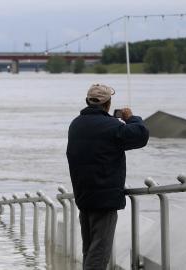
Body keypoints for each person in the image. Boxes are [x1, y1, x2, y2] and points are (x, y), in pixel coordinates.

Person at [66, 84, 149, 269]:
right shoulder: (112, 127)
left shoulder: (76, 125)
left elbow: (101, 147)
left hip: (83, 197)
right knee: (100, 252)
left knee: (89, 250)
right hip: (104, 200)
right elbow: (141, 135)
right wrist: (131, 118)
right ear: (108, 103)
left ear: (87, 101)